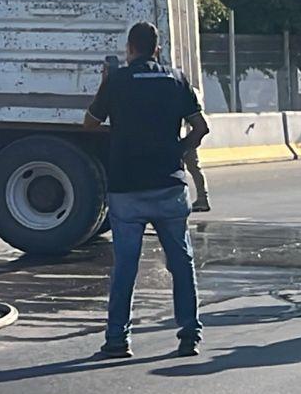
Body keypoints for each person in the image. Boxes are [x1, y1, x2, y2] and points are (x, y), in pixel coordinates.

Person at [84, 21, 211, 358]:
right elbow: (201, 127)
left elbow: (90, 122)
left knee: (126, 265)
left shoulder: (118, 80)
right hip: (169, 185)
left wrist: (104, 84)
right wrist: (179, 151)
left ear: (129, 49)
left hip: (127, 188)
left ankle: (117, 340)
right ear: (157, 48)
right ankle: (189, 336)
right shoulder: (176, 79)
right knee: (181, 262)